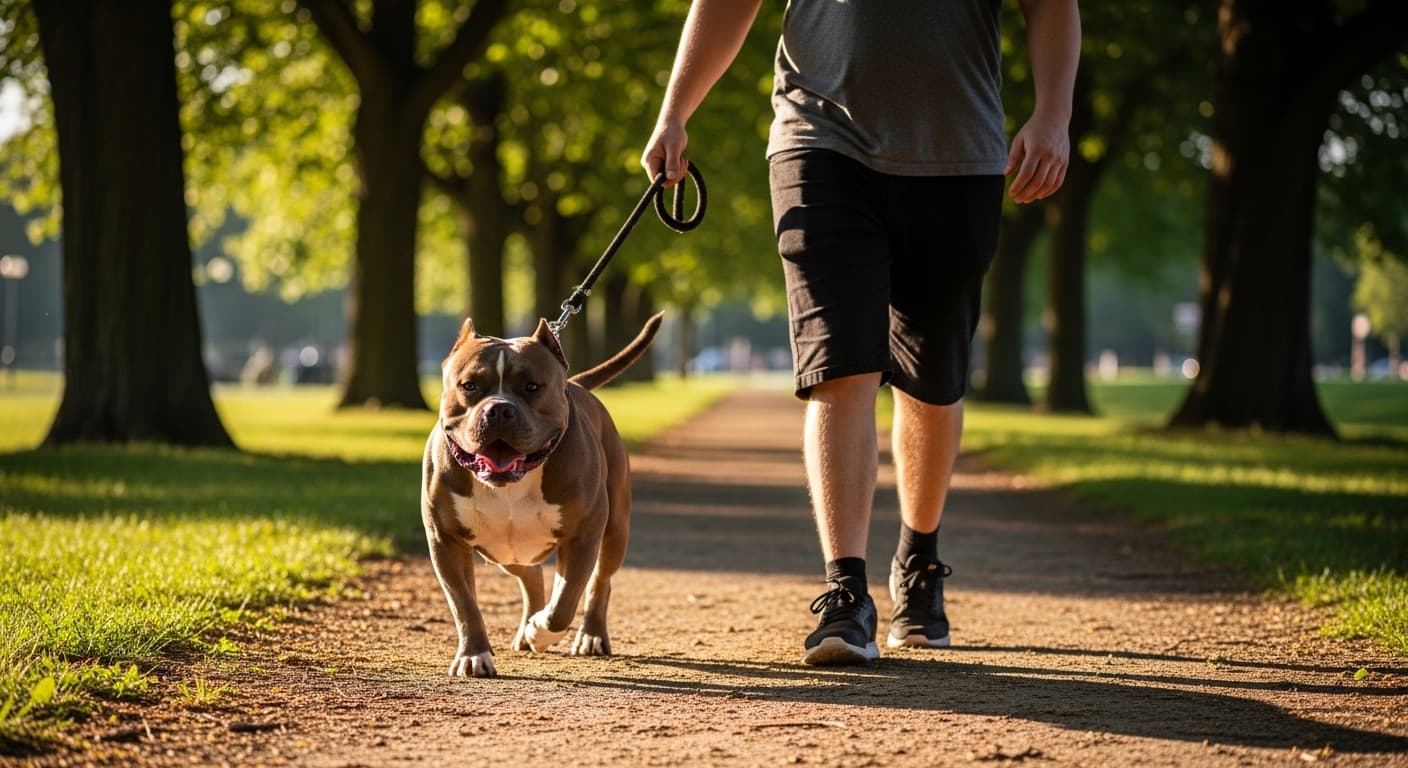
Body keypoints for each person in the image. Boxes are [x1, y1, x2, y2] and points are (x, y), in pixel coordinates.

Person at [643, 0, 1080, 665]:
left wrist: (1054, 114)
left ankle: (918, 560)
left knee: (933, 381)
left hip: (957, 151)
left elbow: (1051, 6)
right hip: (817, 140)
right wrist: (675, 109)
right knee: (839, 365)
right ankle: (845, 590)